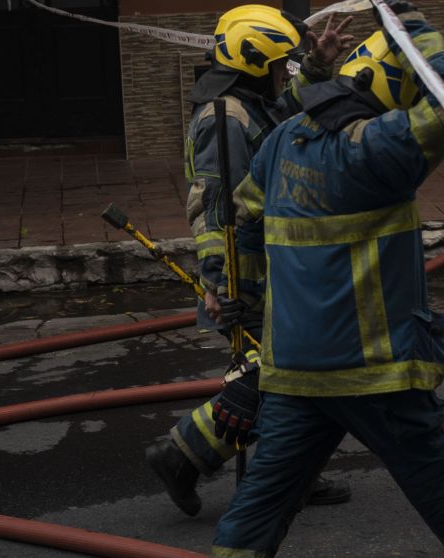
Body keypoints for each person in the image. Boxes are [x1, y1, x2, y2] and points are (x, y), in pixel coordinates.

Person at [207, 4, 444, 557]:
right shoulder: (378, 149)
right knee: (435, 469)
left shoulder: (282, 142)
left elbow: (243, 222)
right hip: (373, 367)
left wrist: (239, 296)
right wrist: (407, 20)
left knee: (265, 497)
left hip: (293, 367)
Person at [144, 4, 355, 517]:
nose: (287, 72)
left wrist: (319, 66)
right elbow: (214, 207)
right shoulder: (225, 119)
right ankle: (182, 456)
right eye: (282, 64)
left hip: (278, 268)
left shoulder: (251, 103)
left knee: (292, 376)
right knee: (282, 376)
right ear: (256, 65)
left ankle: (280, 473)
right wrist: (222, 283)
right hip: (249, 279)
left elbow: (290, 111)